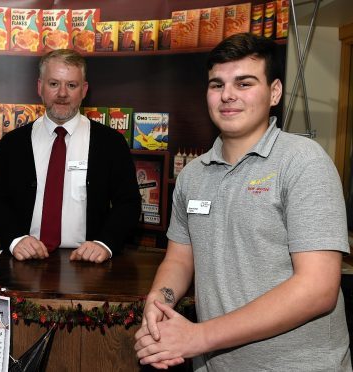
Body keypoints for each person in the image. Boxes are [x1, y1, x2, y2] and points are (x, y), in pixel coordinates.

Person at [134, 32, 351, 371]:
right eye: (217, 85)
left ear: (274, 92)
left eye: (244, 83)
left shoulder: (303, 162)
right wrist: (159, 299)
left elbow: (318, 288)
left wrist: (199, 337)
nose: (228, 96)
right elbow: (179, 260)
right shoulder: (192, 175)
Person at [0, 49, 141, 264]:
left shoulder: (111, 143)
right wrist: (15, 239)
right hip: (23, 261)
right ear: (40, 87)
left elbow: (129, 203)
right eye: (54, 84)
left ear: (84, 90)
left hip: (89, 264)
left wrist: (105, 243)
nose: (63, 93)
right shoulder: (12, 144)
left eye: (72, 85)